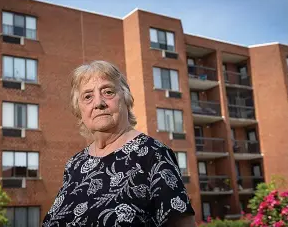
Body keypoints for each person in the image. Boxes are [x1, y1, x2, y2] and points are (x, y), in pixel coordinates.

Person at [42, 61, 195, 227]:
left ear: (125, 99)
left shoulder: (154, 154)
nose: (98, 103)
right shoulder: (75, 164)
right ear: (79, 109)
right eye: (88, 97)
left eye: (108, 92)